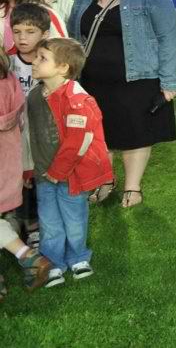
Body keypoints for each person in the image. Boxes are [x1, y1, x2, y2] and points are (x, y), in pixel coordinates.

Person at [68, 0, 176, 209]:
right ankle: (105, 179)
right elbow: (74, 35)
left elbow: (167, 39)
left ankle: (133, 186)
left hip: (137, 79)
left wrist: (169, 82)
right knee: (98, 134)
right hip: (92, 79)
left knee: (135, 133)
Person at [28, 38, 112, 287]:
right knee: (49, 221)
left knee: (74, 218)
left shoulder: (77, 100)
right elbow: (31, 135)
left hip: (71, 175)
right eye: (36, 57)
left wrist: (58, 171)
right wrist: (33, 168)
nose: (34, 61)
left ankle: (78, 257)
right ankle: (53, 262)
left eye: (42, 58)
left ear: (63, 67)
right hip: (44, 173)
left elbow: (79, 141)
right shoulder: (35, 96)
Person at [0, 49, 54, 296]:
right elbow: (20, 122)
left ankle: (27, 257)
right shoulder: (9, 79)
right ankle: (27, 257)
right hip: (8, 164)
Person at [10, 4, 51, 249]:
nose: (22, 38)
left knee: (38, 179)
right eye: (17, 31)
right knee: (20, 180)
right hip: (15, 134)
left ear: (45, 34)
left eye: (30, 31)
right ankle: (22, 224)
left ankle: (37, 227)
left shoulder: (51, 62)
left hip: (41, 133)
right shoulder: (8, 62)